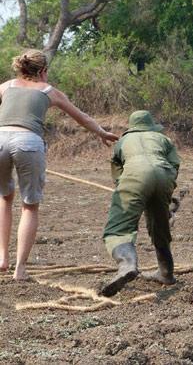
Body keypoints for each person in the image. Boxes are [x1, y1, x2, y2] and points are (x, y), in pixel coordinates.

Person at [0, 49, 118, 280]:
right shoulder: (49, 91)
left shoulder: (6, 86)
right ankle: (20, 269)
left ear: (21, 68)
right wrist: (102, 133)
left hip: (0, 139)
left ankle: (2, 257)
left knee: (4, 198)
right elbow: (81, 117)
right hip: (28, 143)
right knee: (29, 205)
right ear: (43, 71)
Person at [101, 110, 180, 297]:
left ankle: (127, 265)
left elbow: (118, 174)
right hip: (164, 175)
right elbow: (174, 165)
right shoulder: (163, 139)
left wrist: (133, 191)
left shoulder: (122, 142)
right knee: (160, 225)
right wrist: (164, 192)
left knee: (118, 228)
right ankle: (166, 272)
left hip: (135, 176)